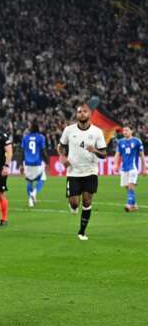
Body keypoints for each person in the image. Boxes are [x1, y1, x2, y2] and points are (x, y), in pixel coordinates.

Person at [58, 102, 107, 241]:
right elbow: (61, 146)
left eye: (84, 111)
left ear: (89, 114)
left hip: (90, 171)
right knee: (74, 203)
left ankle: (82, 232)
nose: (82, 114)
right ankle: (72, 205)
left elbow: (104, 154)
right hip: (73, 171)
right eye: (79, 112)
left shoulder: (97, 132)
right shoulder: (69, 130)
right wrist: (62, 157)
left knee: (87, 201)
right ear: (76, 114)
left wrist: (95, 150)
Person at [113, 127, 145, 212]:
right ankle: (134, 205)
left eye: (127, 130)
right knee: (127, 187)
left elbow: (142, 155)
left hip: (133, 168)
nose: (125, 132)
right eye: (124, 130)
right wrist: (115, 164)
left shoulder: (137, 141)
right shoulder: (120, 142)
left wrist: (144, 169)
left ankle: (129, 205)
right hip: (124, 168)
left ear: (132, 131)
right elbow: (117, 154)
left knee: (131, 186)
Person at [20, 122, 48, 207]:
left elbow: (22, 151)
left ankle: (30, 201)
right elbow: (43, 150)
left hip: (27, 163)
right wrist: (47, 161)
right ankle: (34, 193)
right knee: (42, 178)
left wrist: (21, 164)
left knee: (29, 181)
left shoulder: (25, 137)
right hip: (37, 162)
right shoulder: (41, 137)